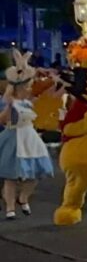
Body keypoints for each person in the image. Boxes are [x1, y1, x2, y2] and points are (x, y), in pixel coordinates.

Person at [0, 53, 55, 219]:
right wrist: (9, 104)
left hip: (30, 138)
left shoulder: (29, 102)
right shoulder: (9, 101)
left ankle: (23, 197)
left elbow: (48, 94)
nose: (30, 88)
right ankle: (10, 206)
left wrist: (54, 81)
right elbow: (3, 119)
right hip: (13, 136)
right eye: (28, 86)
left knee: (35, 173)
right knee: (10, 176)